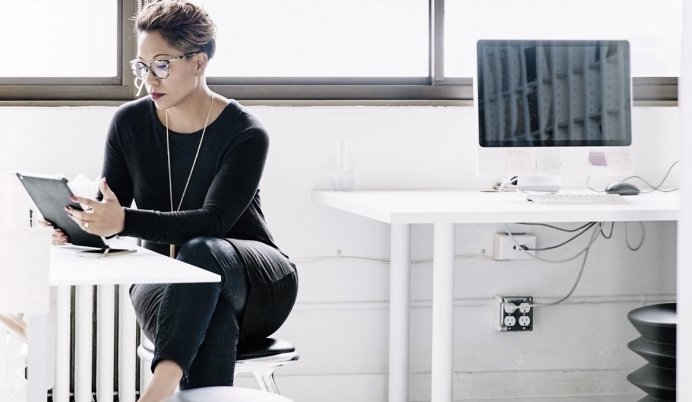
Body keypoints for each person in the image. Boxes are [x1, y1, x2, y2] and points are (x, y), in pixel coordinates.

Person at [42, 1, 298, 401]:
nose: (148, 79)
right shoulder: (129, 123)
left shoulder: (245, 133)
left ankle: (155, 393)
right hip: (164, 282)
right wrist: (77, 224)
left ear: (199, 63)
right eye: (141, 66)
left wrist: (124, 221)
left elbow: (214, 222)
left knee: (202, 251)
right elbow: (111, 206)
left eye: (161, 65)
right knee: (209, 313)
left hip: (254, 284)